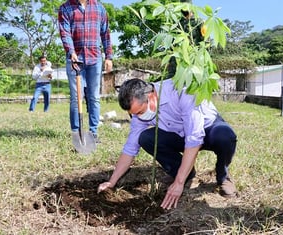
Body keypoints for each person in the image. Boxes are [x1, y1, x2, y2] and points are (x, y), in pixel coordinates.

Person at [97, 78, 238, 210]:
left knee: (225, 136)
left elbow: (194, 139)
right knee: (146, 138)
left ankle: (223, 177)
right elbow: (130, 148)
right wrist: (112, 181)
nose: (139, 117)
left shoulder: (181, 90)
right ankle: (185, 173)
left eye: (140, 112)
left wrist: (178, 183)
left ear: (151, 97)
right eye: (135, 114)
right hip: (179, 134)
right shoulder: (139, 114)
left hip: (208, 129)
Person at [58, 0, 113, 143]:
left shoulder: (99, 8)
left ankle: (93, 133)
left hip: (95, 58)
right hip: (75, 59)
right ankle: (76, 133)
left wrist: (109, 56)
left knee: (94, 96)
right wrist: (71, 52)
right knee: (76, 98)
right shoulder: (65, 8)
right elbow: (65, 32)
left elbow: (105, 33)